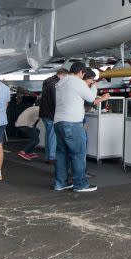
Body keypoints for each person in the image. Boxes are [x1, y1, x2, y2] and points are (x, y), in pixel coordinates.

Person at [53, 62, 108, 193]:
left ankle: (60, 183)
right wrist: (94, 87)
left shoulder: (61, 81)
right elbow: (90, 98)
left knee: (61, 155)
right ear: (81, 72)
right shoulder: (76, 81)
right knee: (78, 154)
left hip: (58, 122)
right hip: (72, 123)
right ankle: (80, 184)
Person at [38, 68, 68, 164]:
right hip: (51, 113)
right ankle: (52, 157)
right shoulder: (55, 84)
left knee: (49, 135)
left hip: (44, 112)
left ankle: (48, 156)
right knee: (52, 135)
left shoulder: (48, 81)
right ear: (62, 75)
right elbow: (56, 101)